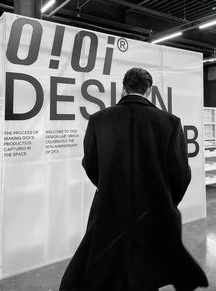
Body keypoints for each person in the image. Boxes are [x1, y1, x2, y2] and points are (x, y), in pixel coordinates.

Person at [59, 67, 208, 291]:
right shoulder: (170, 122)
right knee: (147, 274)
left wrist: (109, 186)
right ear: (148, 90)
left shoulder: (99, 120)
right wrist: (165, 199)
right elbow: (180, 174)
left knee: (107, 273)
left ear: (124, 87)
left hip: (109, 210)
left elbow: (90, 164)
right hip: (154, 211)